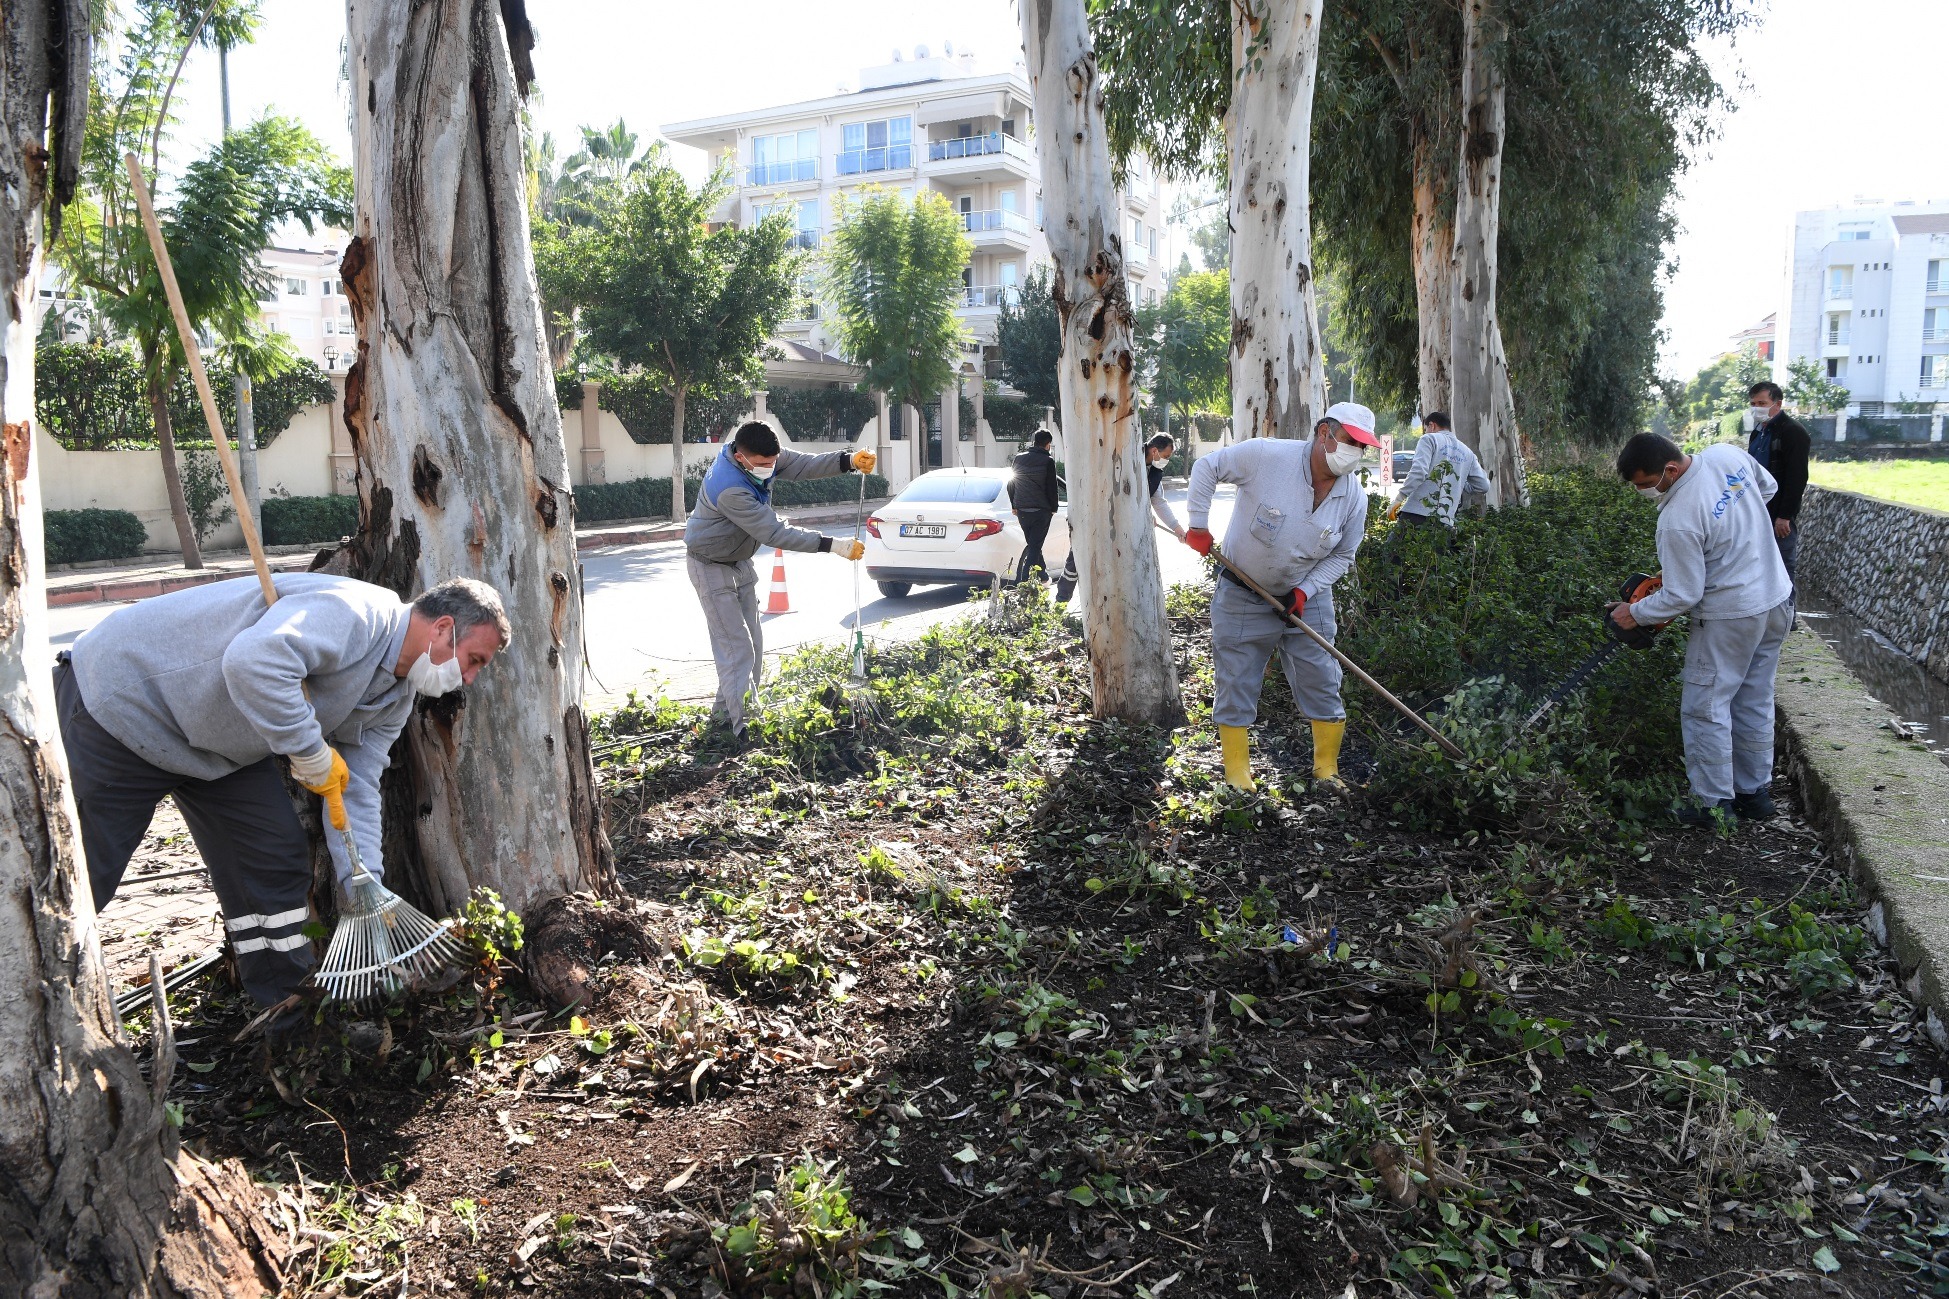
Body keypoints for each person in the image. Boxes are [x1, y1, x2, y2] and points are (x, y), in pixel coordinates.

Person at [56, 574, 510, 1010]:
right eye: (475, 660)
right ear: (444, 628)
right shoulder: (355, 614)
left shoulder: (396, 697)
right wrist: (310, 751)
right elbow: (252, 662)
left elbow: (357, 787)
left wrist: (362, 876)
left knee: (272, 861)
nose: (468, 678)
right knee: (78, 876)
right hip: (126, 704)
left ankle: (286, 1012)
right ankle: (35, 1001)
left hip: (216, 749)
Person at [1185, 400, 1380, 791]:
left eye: (1362, 447)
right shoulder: (1266, 456)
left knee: (1322, 677)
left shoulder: (1353, 497)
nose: (1355, 453)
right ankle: (1238, 775)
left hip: (1307, 597)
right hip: (1244, 591)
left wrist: (1305, 591)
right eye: (1349, 441)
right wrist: (1198, 526)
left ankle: (1326, 769)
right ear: (1324, 433)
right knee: (1237, 678)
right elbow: (1207, 467)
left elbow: (1343, 555)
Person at [1612, 432, 1793, 827]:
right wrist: (1727, 541)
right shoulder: (1726, 456)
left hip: (1731, 615)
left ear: (1671, 470)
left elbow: (1682, 595)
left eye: (1645, 484)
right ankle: (1754, 794)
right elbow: (1769, 487)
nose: (1643, 491)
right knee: (1754, 697)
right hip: (1776, 597)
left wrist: (1635, 612)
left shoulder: (1676, 519)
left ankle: (1714, 806)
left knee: (1705, 707)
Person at [685, 420, 875, 737]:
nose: (769, 469)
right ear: (742, 457)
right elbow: (774, 532)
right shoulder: (730, 488)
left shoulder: (759, 455)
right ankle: (744, 730)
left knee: (753, 648)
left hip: (738, 560)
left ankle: (722, 721)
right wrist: (832, 546)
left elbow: (801, 464)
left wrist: (848, 461)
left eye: (772, 462)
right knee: (737, 649)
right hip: (710, 566)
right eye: (762, 464)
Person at [1745, 381, 1810, 581]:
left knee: (1782, 566)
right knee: (1757, 566)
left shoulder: (1792, 432)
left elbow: (1797, 476)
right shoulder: (1758, 432)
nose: (1757, 408)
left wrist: (1785, 515)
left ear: (1777, 404)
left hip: (1778, 514)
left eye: (1762, 403)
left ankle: (1787, 610)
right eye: (1753, 403)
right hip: (1757, 511)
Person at [1389, 411, 1490, 528]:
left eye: (1425, 428)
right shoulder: (1468, 452)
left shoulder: (1429, 439)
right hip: (1445, 521)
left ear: (1432, 425)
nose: (1425, 432)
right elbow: (1483, 486)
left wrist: (1399, 498)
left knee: (1395, 546)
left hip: (1416, 514)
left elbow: (1419, 472)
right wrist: (1459, 483)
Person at [1009, 429, 1062, 576]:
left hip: (1022, 510)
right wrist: (1053, 508)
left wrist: (1014, 505)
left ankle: (1043, 575)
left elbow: (1011, 483)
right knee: (1035, 547)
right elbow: (1052, 487)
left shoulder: (1019, 458)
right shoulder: (1048, 461)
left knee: (1034, 546)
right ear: (1048, 444)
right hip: (1041, 511)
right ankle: (1023, 583)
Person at [1145, 433, 1186, 538]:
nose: (1166, 461)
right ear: (1154, 451)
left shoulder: (1155, 472)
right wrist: (1144, 513)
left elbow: (1159, 503)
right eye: (1165, 456)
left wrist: (1177, 528)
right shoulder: (1129, 459)